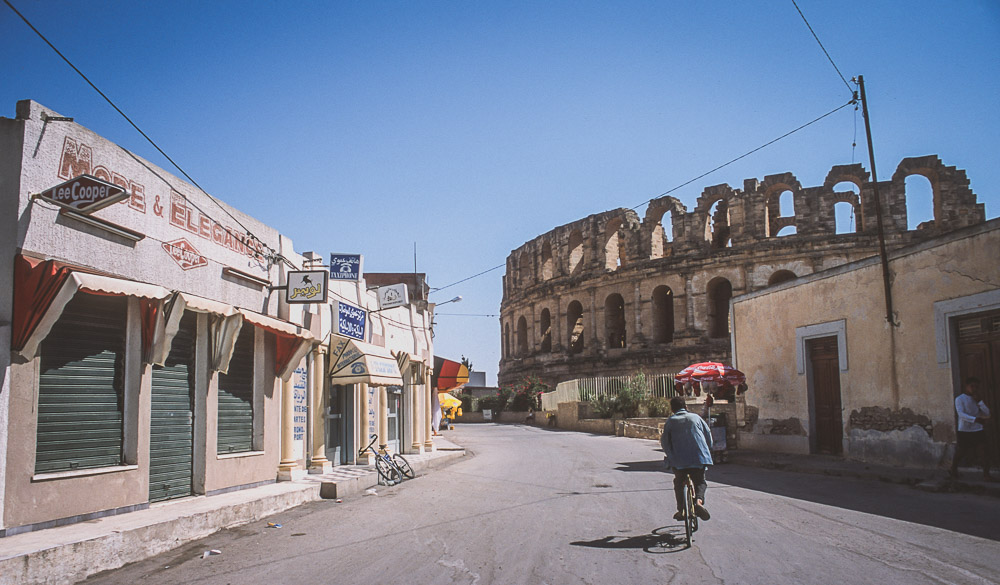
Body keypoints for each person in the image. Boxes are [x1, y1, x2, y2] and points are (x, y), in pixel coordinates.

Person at [661, 396, 713, 521]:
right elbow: (708, 437)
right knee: (700, 482)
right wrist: (706, 451)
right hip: (699, 458)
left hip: (679, 461)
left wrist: (670, 456)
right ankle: (699, 502)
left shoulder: (671, 421)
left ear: (672, 409)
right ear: (686, 407)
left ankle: (682, 510)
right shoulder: (696, 418)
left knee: (678, 482)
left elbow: (665, 442)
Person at [950, 377, 993, 480]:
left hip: (978, 429)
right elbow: (961, 414)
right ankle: (953, 470)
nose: (974, 389)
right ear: (967, 387)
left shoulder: (977, 399)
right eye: (972, 386)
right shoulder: (960, 399)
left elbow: (987, 413)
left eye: (976, 387)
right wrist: (975, 419)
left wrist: (980, 402)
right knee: (961, 452)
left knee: (984, 451)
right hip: (965, 430)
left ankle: (986, 475)